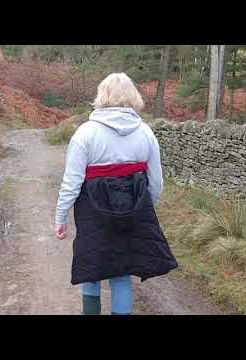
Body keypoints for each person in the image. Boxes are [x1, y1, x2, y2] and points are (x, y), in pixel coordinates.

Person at [54, 73, 178, 315]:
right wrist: (141, 209)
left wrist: (60, 217)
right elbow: (156, 182)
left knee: (91, 270)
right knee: (121, 273)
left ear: (102, 95)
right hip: (131, 211)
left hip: (92, 212)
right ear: (133, 96)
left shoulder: (85, 133)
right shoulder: (145, 133)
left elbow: (71, 182)